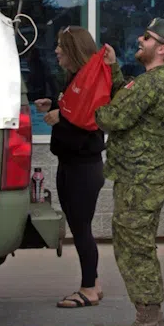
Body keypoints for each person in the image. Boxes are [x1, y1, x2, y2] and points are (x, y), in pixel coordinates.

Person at [94, 18, 164, 326]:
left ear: (161, 48)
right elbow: (126, 97)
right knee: (138, 245)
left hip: (141, 177)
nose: (140, 40)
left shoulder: (152, 82)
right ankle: (153, 313)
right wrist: (114, 69)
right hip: (140, 175)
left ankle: (147, 321)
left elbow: (114, 117)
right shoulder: (152, 80)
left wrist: (81, 106)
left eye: (147, 38)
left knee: (134, 249)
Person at [33, 26, 106, 309]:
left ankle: (88, 288)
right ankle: (94, 283)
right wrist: (53, 107)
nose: (56, 51)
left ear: (73, 48)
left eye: (60, 46)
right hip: (71, 164)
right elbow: (74, 113)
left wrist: (59, 116)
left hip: (82, 167)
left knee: (81, 228)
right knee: (80, 227)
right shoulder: (76, 79)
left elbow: (85, 123)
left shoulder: (88, 82)